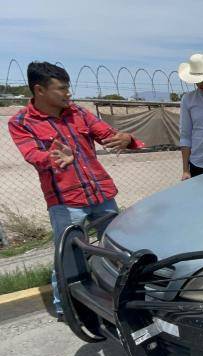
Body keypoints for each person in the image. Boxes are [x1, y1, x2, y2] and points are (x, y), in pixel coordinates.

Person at [7, 62, 144, 320]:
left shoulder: (78, 112)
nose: (68, 93)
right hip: (66, 201)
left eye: (68, 87)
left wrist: (126, 139)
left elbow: (106, 134)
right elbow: (32, 154)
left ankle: (122, 300)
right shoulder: (21, 122)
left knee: (117, 249)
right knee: (69, 256)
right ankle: (66, 309)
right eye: (62, 88)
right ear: (39, 90)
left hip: (101, 194)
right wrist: (52, 158)